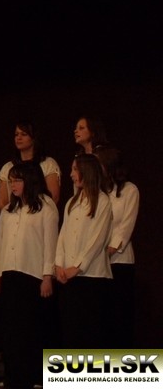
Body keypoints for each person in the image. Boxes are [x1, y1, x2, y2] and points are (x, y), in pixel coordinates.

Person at [0, 162, 59, 389]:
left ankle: (34, 376)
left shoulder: (46, 207)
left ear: (30, 180)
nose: (12, 185)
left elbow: (50, 243)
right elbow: (0, 242)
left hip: (32, 275)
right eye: (11, 181)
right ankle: (13, 376)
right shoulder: (8, 211)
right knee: (11, 329)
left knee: (31, 328)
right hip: (9, 274)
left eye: (17, 180)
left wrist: (47, 275)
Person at [55, 153, 113, 349]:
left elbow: (97, 240)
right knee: (72, 332)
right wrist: (59, 264)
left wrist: (77, 266)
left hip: (92, 277)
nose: (71, 174)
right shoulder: (72, 202)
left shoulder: (102, 201)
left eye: (75, 169)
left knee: (91, 333)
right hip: (68, 277)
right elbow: (63, 235)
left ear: (86, 172)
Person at [95, 146, 140, 348]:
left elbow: (126, 226)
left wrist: (110, 249)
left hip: (120, 261)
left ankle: (122, 362)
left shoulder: (130, 190)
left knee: (120, 315)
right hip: (99, 263)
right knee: (103, 317)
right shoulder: (100, 192)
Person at [0, 120, 61, 211]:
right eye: (16, 134)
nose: (19, 138)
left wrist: (35, 215)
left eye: (24, 134)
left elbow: (53, 197)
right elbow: (2, 202)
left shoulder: (48, 164)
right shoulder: (7, 167)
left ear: (34, 138)